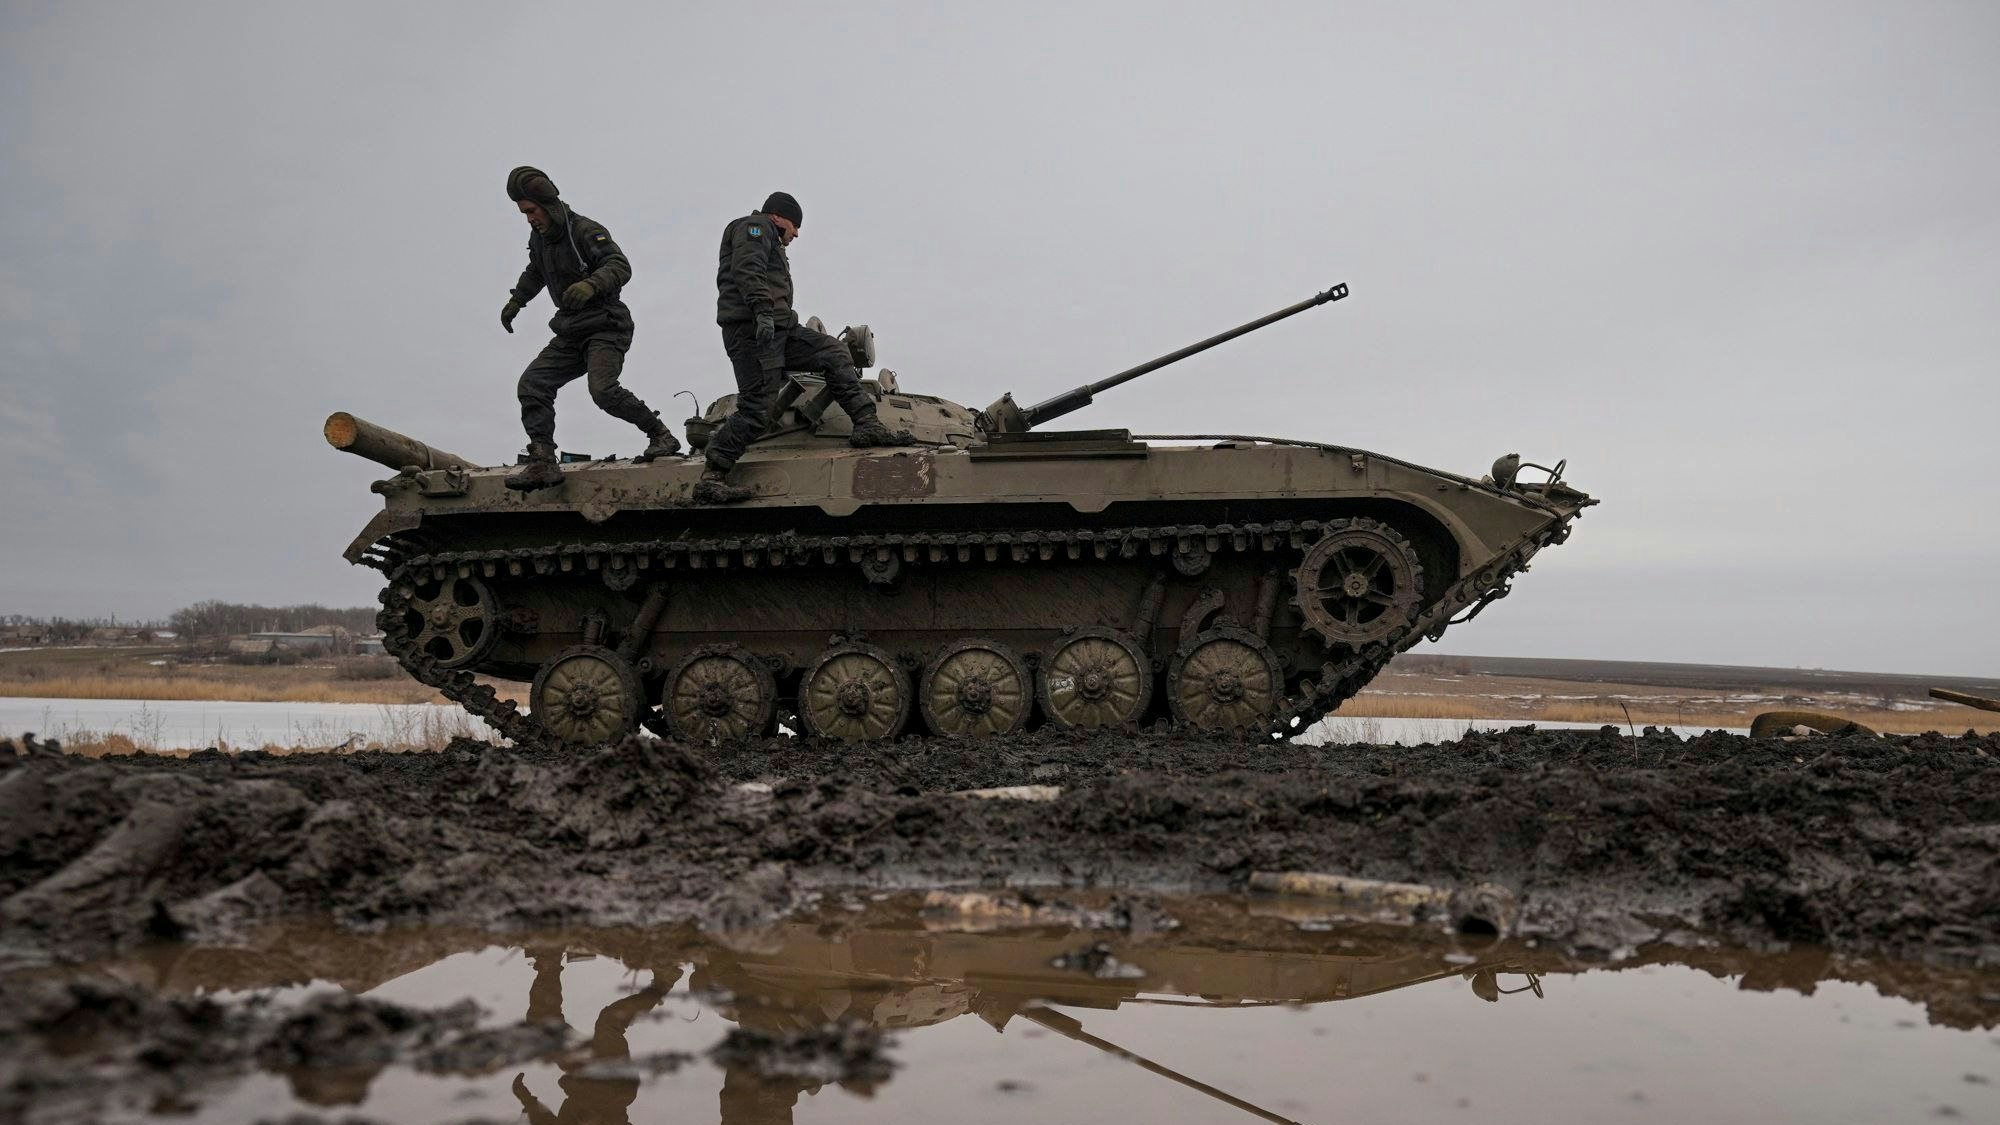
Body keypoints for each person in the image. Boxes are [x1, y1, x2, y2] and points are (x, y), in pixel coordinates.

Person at [694, 191, 911, 504]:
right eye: (794, 225)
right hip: (754, 330)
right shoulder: (753, 228)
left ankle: (867, 425)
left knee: (834, 352)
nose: (796, 233)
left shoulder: (771, 239)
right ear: (778, 216)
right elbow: (747, 267)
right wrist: (762, 312)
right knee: (758, 408)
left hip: (782, 328)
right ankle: (713, 474)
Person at [499, 165, 680, 492]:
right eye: (524, 213)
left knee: (603, 390)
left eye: (531, 210)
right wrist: (517, 301)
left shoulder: (584, 231)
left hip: (606, 325)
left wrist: (591, 285)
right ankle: (543, 462)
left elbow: (619, 265)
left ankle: (661, 435)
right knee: (533, 383)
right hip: (570, 331)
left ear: (548, 204)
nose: (529, 218)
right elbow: (535, 272)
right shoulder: (540, 239)